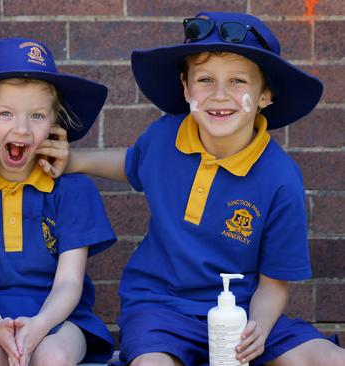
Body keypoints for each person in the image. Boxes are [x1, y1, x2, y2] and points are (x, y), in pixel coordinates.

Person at [63, 11, 345, 366]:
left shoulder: (281, 178)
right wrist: (73, 160)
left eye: (238, 81)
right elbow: (133, 162)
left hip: (243, 309)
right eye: (206, 79)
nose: (220, 95)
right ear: (185, 87)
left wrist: (256, 328)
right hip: (162, 308)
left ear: (265, 94)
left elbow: (274, 284)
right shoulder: (165, 136)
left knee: (329, 359)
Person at [0, 37, 117, 366]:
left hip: (58, 314)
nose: (22, 128)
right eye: (6, 113)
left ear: (54, 123)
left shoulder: (73, 190)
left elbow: (69, 281)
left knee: (53, 356)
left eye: (37, 116)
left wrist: (40, 326)